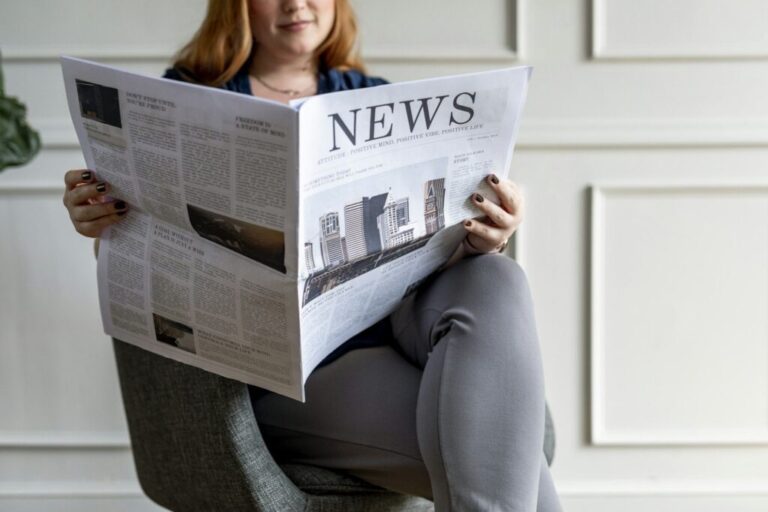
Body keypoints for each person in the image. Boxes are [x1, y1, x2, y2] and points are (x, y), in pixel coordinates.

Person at [61, 0, 562, 510]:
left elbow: (427, 257)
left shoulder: (373, 99)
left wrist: (485, 234)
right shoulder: (188, 98)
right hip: (294, 376)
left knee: (498, 276)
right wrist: (100, 222)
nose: (297, 3)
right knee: (502, 454)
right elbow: (150, 260)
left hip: (401, 327)